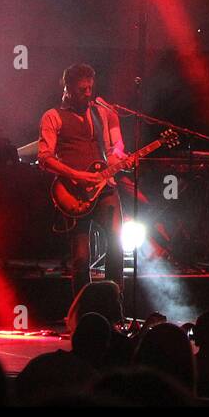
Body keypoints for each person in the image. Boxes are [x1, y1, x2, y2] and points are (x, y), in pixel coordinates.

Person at [38, 63, 126, 295]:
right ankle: (82, 310)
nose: (88, 94)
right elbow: (45, 158)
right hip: (73, 191)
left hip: (105, 186)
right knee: (81, 256)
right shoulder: (53, 116)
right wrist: (77, 175)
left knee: (117, 245)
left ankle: (114, 306)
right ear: (67, 88)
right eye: (82, 90)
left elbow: (111, 147)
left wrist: (118, 157)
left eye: (90, 88)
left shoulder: (101, 113)